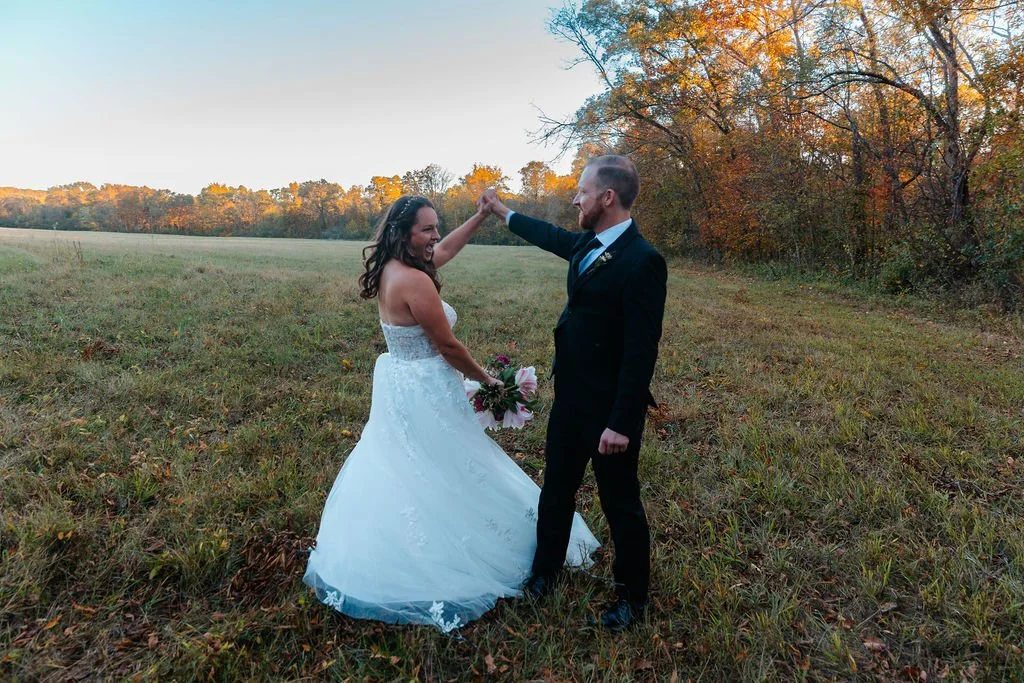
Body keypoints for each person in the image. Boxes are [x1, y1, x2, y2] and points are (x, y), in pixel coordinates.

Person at [303, 194, 599, 632]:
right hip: (426, 384)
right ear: (404, 233)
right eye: (427, 228)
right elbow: (447, 346)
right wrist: (488, 380)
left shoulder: (391, 267)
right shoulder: (416, 281)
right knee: (451, 461)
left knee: (404, 461)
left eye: (437, 226)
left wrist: (479, 217)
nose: (435, 236)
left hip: (399, 382)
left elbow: (445, 251)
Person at [480, 154, 667, 631]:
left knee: (619, 503)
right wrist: (502, 212)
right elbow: (550, 236)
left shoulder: (643, 261)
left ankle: (633, 598)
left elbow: (641, 351)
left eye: (582, 192)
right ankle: (545, 573)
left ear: (607, 197)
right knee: (557, 491)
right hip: (570, 398)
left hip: (609, 410)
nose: (575, 199)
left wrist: (621, 423)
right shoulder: (587, 242)